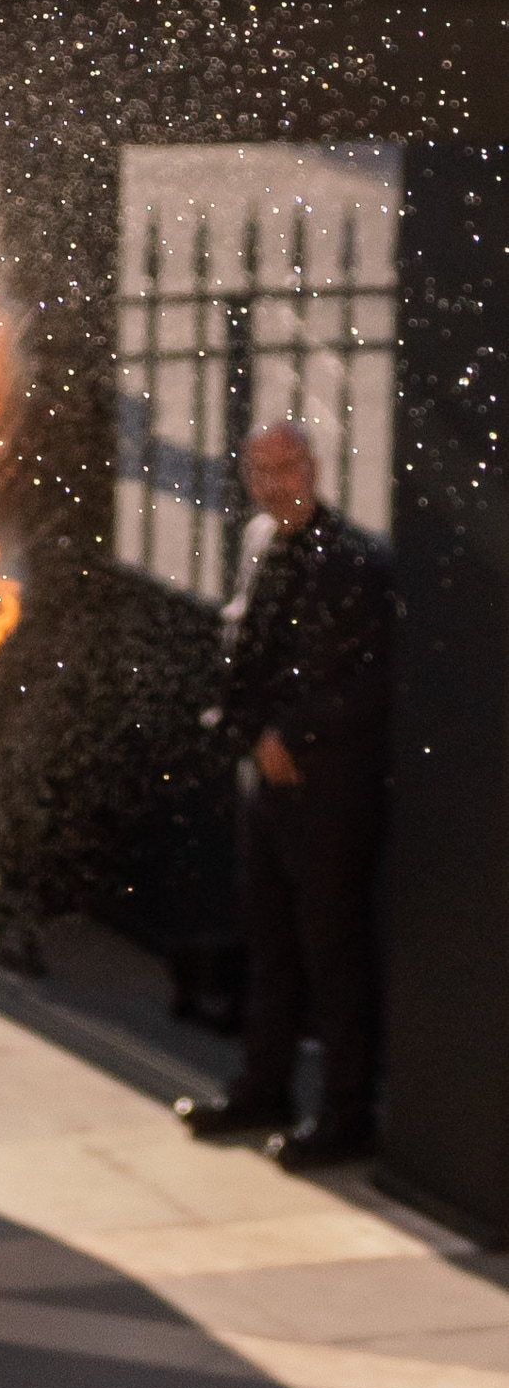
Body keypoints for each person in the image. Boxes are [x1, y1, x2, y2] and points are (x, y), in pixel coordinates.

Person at [177, 419, 399, 1172]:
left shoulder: (353, 561)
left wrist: (290, 737)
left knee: (331, 952)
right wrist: (243, 731)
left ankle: (346, 1115)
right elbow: (244, 651)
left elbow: (367, 680)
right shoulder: (259, 546)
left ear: (311, 467)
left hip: (328, 790)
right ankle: (261, 1088)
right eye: (258, 469)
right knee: (270, 944)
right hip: (266, 785)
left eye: (284, 466)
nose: (272, 482)